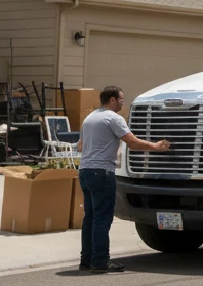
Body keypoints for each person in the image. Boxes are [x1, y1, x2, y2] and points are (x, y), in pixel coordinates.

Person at [77, 86, 170, 273]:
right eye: (121, 99)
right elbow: (132, 142)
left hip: (85, 171)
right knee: (102, 219)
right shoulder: (113, 118)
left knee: (90, 218)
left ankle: (86, 260)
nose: (122, 103)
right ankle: (101, 261)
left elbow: (80, 146)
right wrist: (156, 146)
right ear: (111, 100)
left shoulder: (90, 118)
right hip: (102, 172)